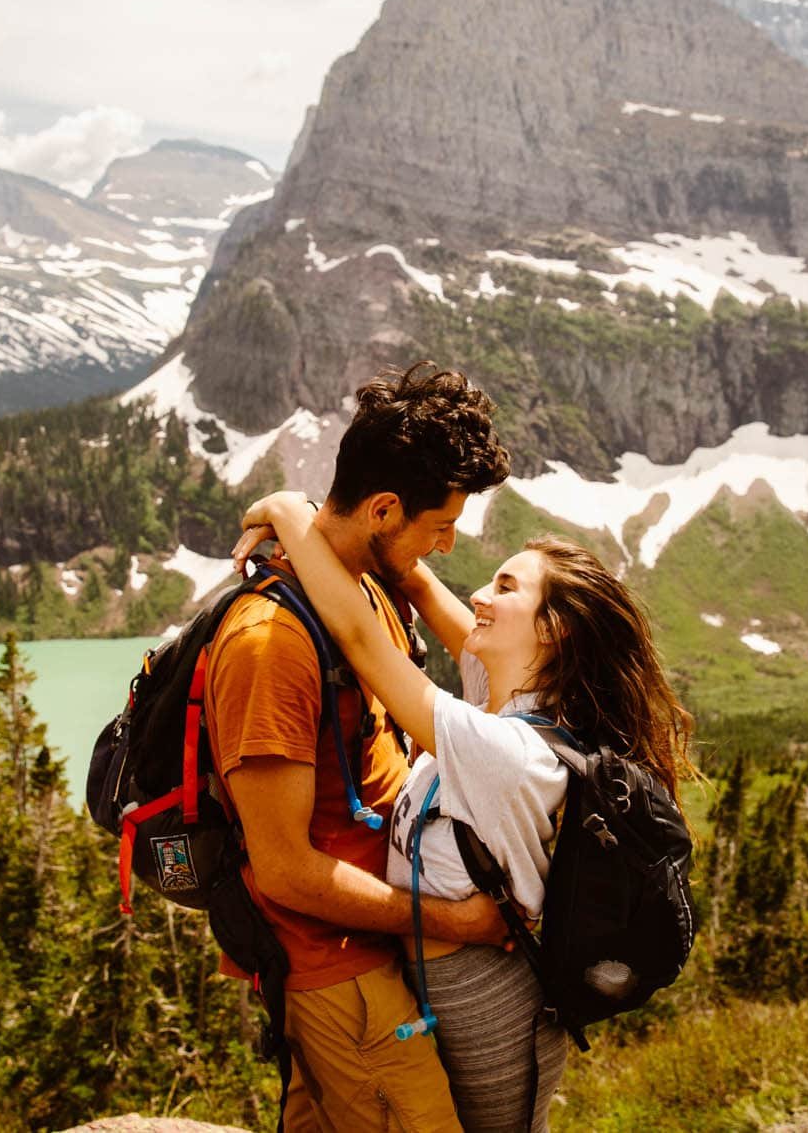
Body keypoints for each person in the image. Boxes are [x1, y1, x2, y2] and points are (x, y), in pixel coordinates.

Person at [232, 497, 697, 1133]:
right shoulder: (515, 711)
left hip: (483, 998)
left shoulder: (505, 751)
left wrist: (288, 513)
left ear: (554, 631)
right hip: (442, 976)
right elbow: (423, 588)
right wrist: (339, 517)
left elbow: (362, 640)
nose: (479, 593)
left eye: (505, 587)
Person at [203, 363, 511, 1132]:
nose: (444, 547)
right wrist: (455, 919)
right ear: (382, 508)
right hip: (336, 968)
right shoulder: (271, 646)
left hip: (374, 948)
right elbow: (282, 865)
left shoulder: (366, 580)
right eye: (439, 527)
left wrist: (285, 505)